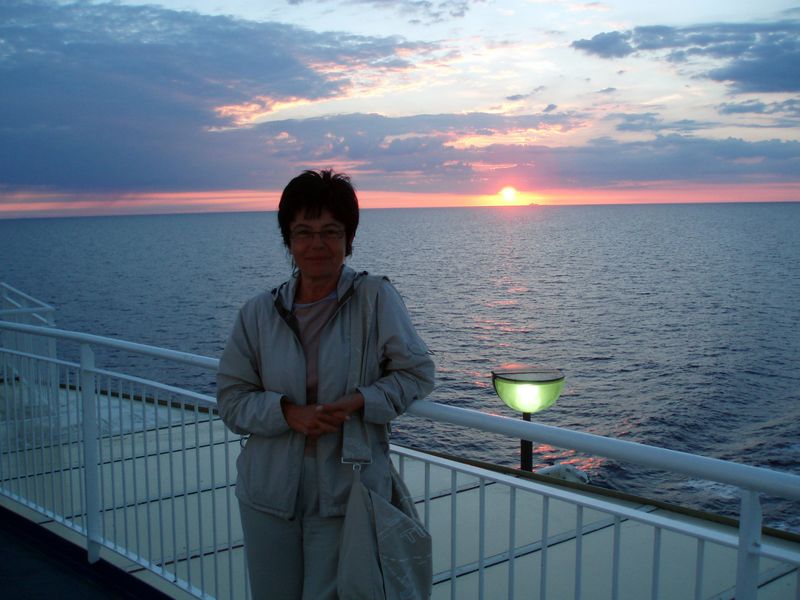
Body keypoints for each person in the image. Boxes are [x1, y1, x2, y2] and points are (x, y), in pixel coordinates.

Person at [216, 169, 435, 599]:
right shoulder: (258, 313)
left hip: (344, 493)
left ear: (349, 239)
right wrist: (286, 413)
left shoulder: (374, 299)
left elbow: (417, 373)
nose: (317, 244)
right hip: (267, 493)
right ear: (288, 240)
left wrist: (362, 400)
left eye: (331, 231)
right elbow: (231, 399)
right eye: (304, 232)